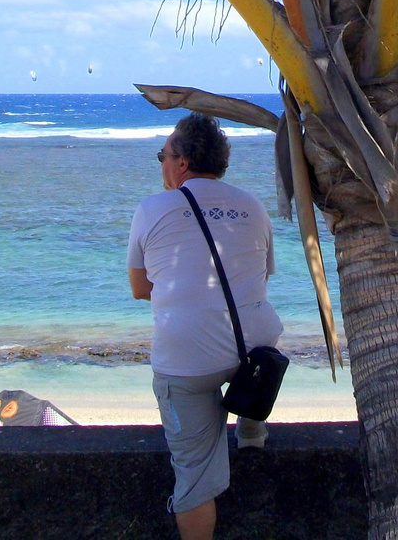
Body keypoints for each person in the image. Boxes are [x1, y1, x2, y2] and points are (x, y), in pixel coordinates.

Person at [127, 112, 283, 540]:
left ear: (180, 163)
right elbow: (259, 279)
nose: (161, 163)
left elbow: (141, 288)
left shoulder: (151, 209)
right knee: (252, 335)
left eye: (162, 155)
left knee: (194, 476)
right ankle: (250, 425)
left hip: (189, 362)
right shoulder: (251, 205)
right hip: (254, 353)